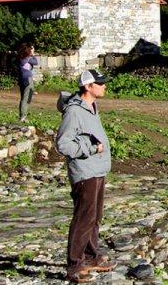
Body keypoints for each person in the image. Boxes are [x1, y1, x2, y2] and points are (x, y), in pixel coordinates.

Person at [56, 69, 116, 283]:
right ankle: (74, 264)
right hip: (85, 172)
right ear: (88, 87)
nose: (104, 86)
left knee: (95, 217)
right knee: (84, 218)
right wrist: (91, 148)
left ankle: (91, 257)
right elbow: (64, 143)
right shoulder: (74, 111)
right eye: (100, 83)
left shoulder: (91, 107)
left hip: (97, 169)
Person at [17, 44, 38, 123]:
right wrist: (33, 55)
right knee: (27, 98)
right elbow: (36, 62)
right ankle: (23, 116)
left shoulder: (20, 58)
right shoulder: (28, 58)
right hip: (28, 79)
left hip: (22, 79)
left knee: (23, 97)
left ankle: (21, 115)